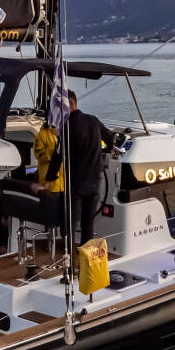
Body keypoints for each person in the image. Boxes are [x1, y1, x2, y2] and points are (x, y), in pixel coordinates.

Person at [47, 90, 115, 244]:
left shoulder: (67, 126)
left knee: (70, 222)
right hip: (95, 181)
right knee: (88, 224)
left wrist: (50, 176)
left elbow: (58, 154)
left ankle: (69, 253)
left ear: (70, 103)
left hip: (77, 184)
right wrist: (102, 151)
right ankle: (86, 253)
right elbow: (111, 139)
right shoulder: (93, 120)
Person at [32, 123, 63, 194]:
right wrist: (56, 153)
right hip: (48, 183)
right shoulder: (42, 134)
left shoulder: (65, 133)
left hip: (65, 184)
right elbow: (39, 154)